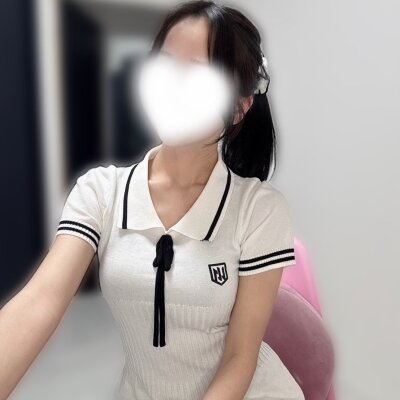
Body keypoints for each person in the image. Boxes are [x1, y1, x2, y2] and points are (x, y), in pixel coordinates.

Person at [0, 1, 305, 399]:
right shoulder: (101, 192)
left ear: (238, 108)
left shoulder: (258, 210)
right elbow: (40, 301)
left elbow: (240, 357)